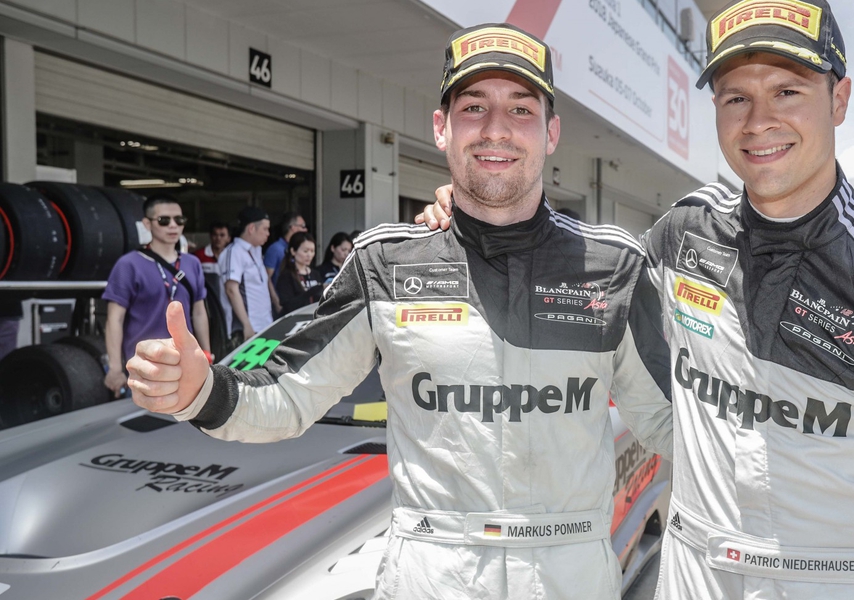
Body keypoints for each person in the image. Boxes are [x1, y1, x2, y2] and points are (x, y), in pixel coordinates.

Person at [420, 3, 854, 598]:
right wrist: (477, 209)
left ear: (839, 99)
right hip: (691, 577)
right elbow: (580, 268)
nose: (758, 121)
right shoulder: (684, 233)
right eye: (736, 97)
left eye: (787, 91)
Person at [127, 23, 673, 600]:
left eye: (521, 108)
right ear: (441, 127)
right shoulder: (384, 262)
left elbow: (674, 425)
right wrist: (201, 390)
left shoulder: (614, 266)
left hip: (572, 579)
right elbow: (288, 395)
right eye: (473, 107)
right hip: (432, 577)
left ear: (551, 132)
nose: (496, 128)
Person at [103, 195, 209, 397]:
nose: (173, 225)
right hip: (144, 369)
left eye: (179, 220)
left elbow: (199, 312)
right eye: (164, 220)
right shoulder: (128, 265)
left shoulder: (192, 263)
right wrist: (115, 369)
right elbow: (114, 319)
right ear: (147, 224)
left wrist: (206, 354)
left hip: (186, 366)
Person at [218, 207, 277, 342]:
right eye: (265, 229)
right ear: (251, 228)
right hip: (247, 329)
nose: (268, 233)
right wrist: (246, 325)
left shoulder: (256, 251)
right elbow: (231, 289)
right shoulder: (234, 252)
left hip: (264, 324)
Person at [275, 231, 322, 316]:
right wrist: (311, 291)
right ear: (293, 251)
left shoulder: (315, 274)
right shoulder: (286, 276)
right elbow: (288, 305)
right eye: (305, 251)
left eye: (312, 251)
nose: (309, 255)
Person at [264, 211, 307, 285]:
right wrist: (274, 293)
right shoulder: (275, 249)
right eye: (303, 226)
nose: (305, 230)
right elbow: (266, 279)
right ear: (293, 227)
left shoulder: (299, 248)